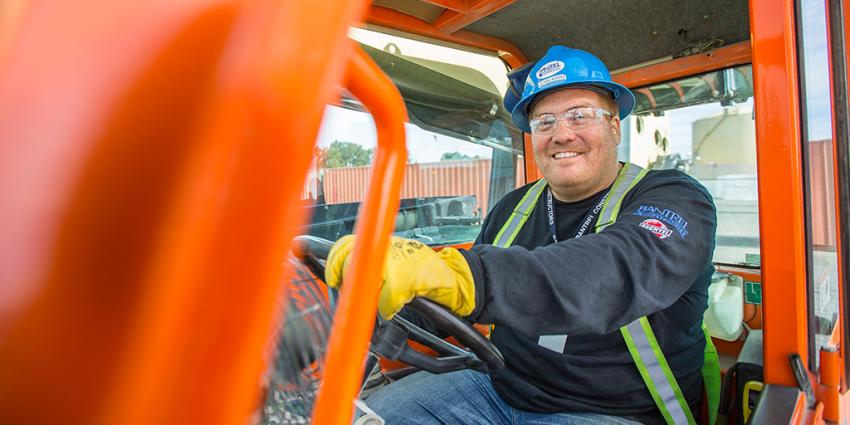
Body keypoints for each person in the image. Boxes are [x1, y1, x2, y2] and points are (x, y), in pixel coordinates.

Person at [326, 46, 719, 425]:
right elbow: (451, 306)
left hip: (612, 410)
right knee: (360, 416)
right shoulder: (513, 207)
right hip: (496, 389)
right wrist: (370, 310)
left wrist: (469, 277)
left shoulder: (676, 199)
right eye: (544, 122)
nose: (561, 134)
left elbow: (614, 268)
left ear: (614, 127)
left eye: (579, 116)